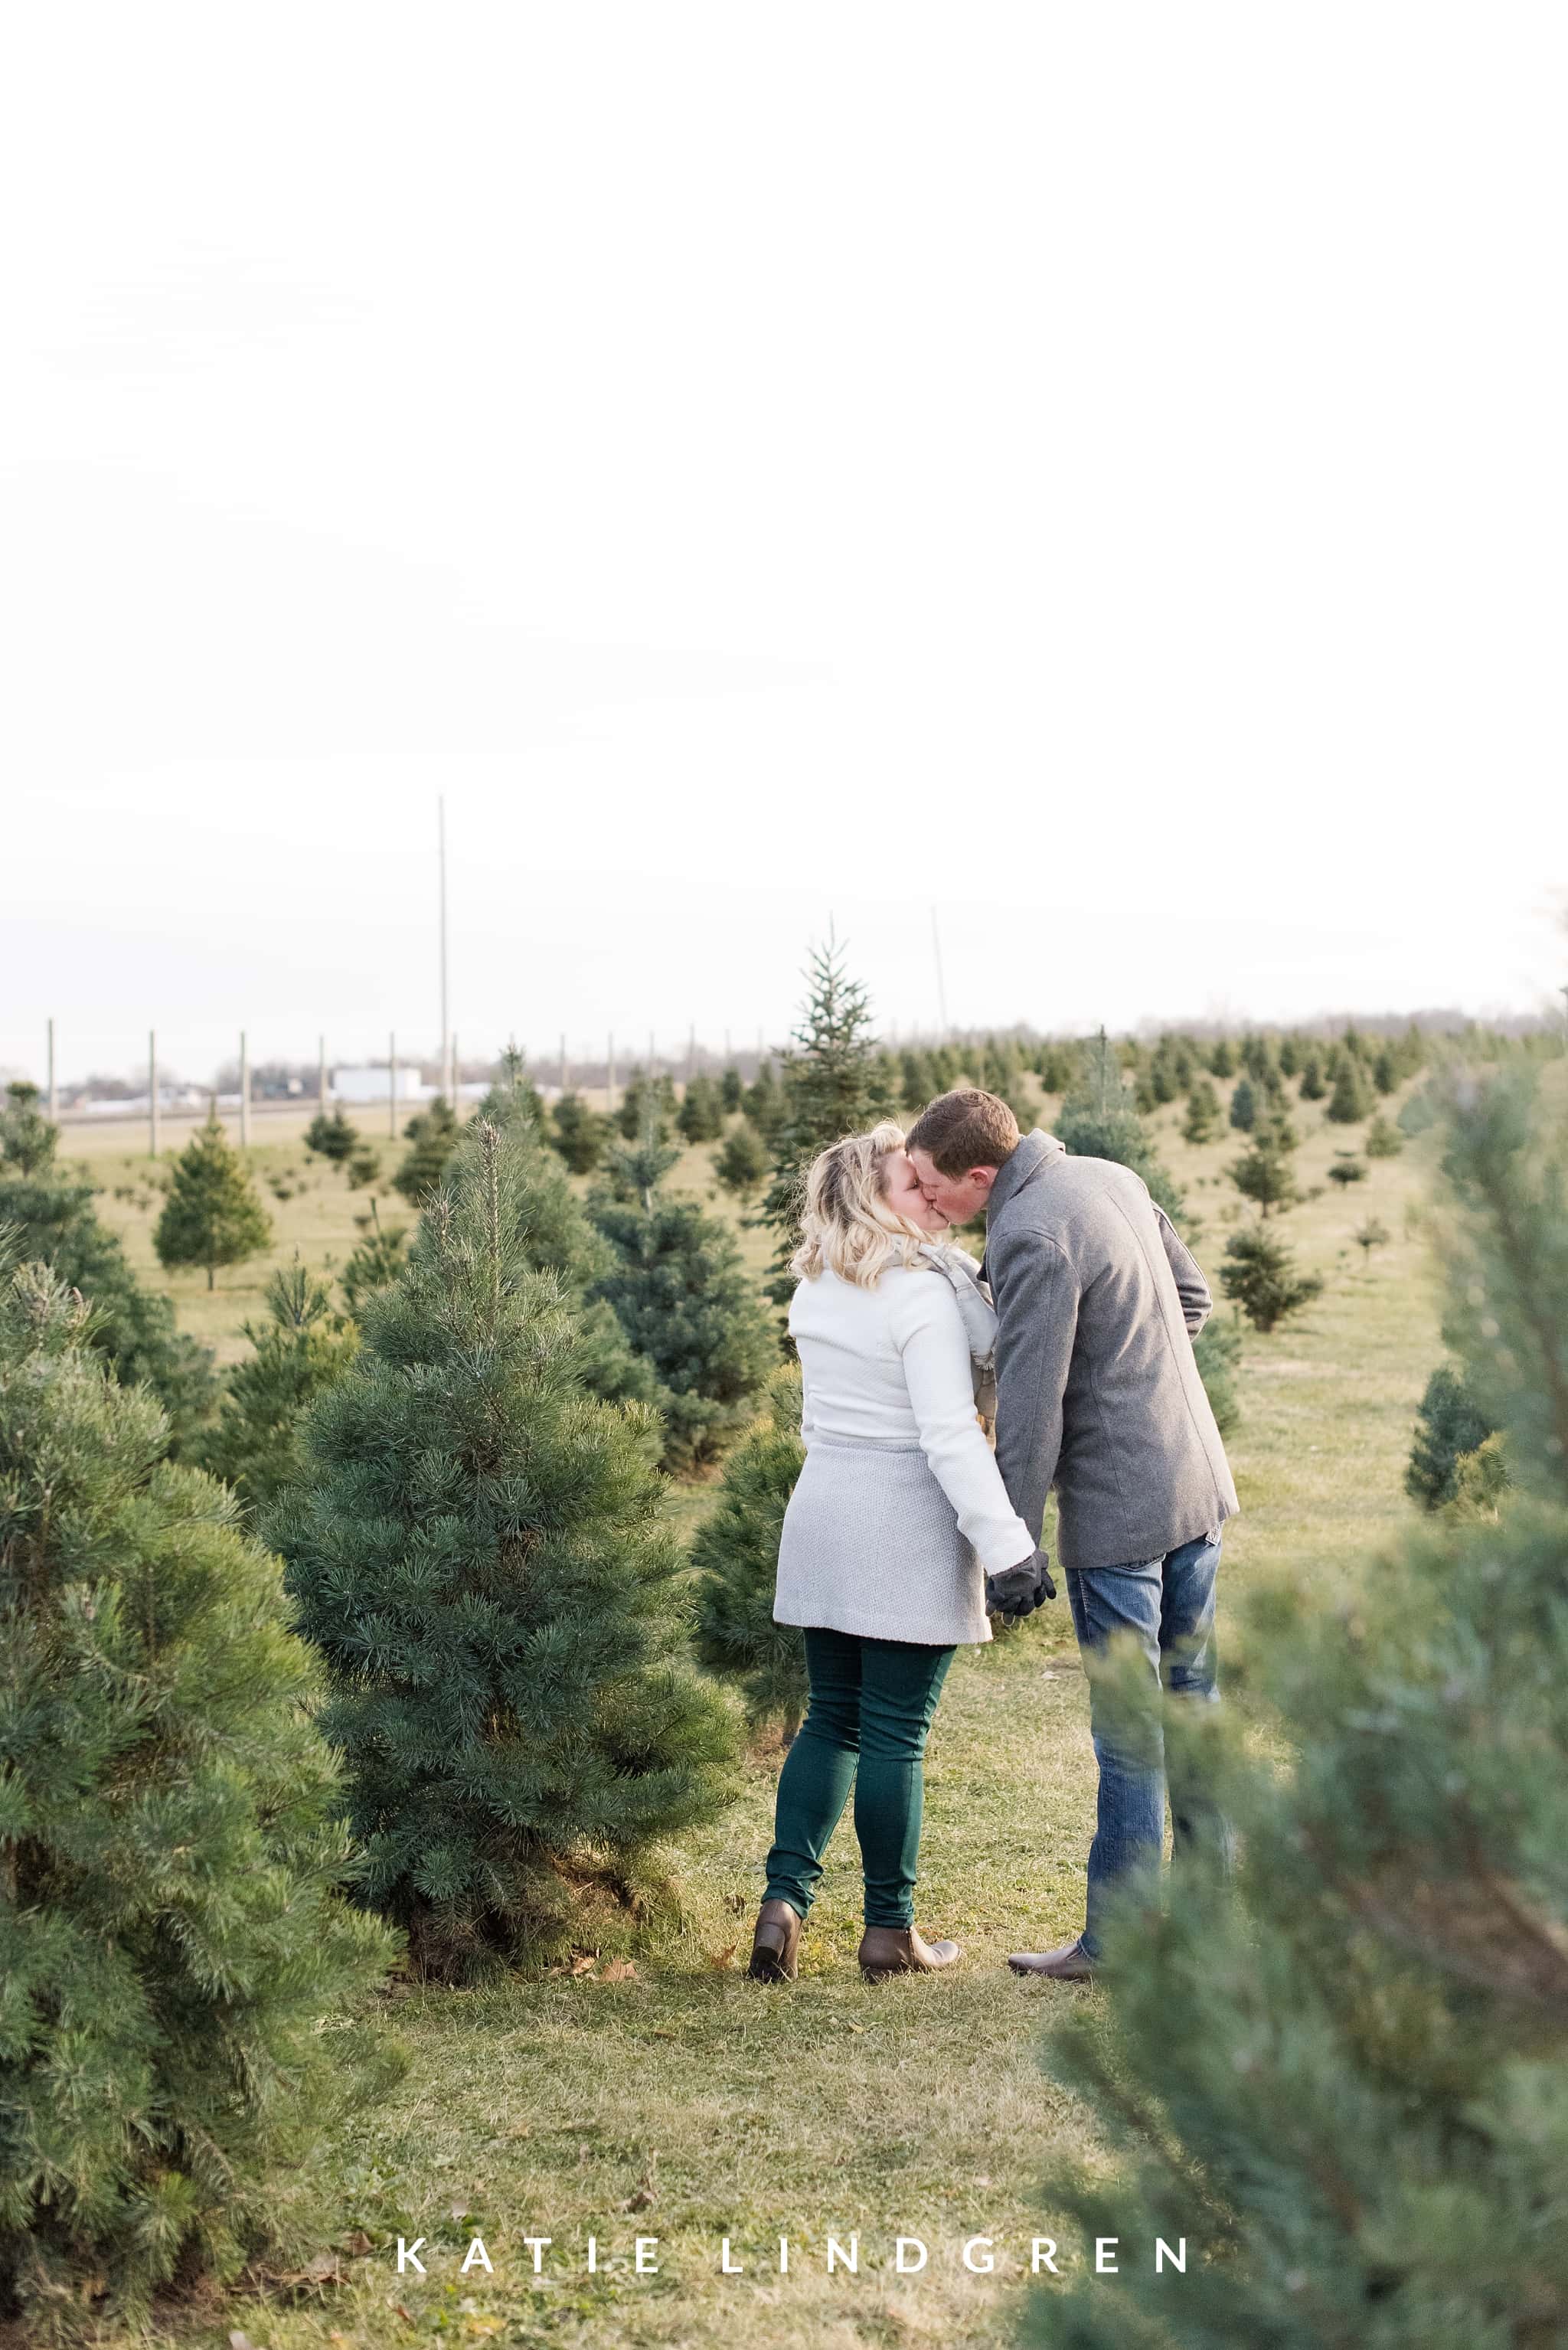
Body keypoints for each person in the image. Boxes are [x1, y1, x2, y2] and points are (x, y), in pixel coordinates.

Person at [906, 1088, 1239, 1982]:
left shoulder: (1027, 1236)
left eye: (935, 1187)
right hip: (1197, 1481)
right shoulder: (1110, 1175)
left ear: (981, 1175)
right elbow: (1192, 1299)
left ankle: (1117, 1942)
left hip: (1122, 1514)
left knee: (1131, 1729)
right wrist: (1139, 1379)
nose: (927, 1200)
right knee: (1192, 1705)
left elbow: (1030, 1409)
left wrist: (1010, 1544)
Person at [747, 1120, 1054, 1986]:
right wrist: (1008, 1548)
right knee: (894, 1734)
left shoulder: (817, 1285)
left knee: (830, 1718)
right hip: (901, 1517)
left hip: (823, 1509)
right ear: (868, 1195)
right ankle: (890, 1932)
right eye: (909, 1186)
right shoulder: (918, 1293)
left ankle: (781, 1906)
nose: (932, 1197)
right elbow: (947, 1433)